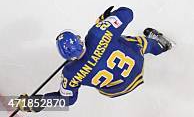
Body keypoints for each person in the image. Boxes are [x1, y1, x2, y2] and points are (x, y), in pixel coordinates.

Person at [17, 6, 172, 112]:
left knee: (114, 45)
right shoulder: (97, 34)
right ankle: (161, 45)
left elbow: (67, 100)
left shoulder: (70, 73)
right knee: (134, 42)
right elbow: (128, 13)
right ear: (79, 41)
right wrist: (105, 20)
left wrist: (35, 103)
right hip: (136, 67)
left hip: (114, 90)